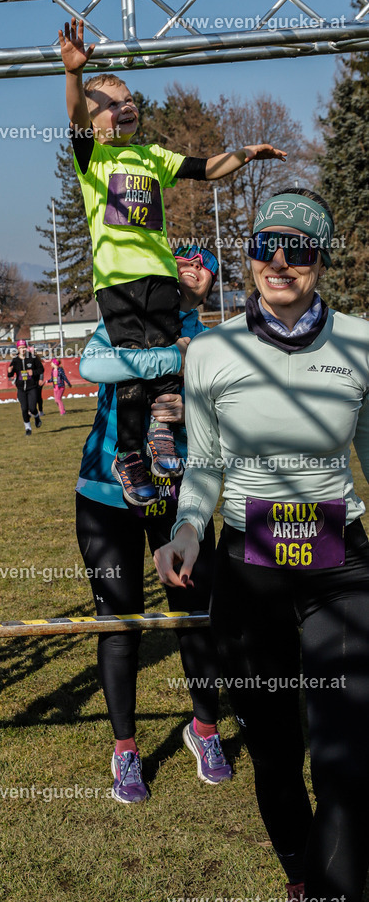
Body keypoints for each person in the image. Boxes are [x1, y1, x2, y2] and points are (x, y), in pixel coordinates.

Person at [155, 189, 369, 902]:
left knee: (345, 757)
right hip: (250, 567)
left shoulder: (361, 342)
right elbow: (205, 464)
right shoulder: (211, 351)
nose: (279, 261)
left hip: (339, 564)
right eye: (264, 245)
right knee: (276, 754)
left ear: (320, 259)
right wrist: (188, 529)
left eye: (298, 248)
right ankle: (303, 879)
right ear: (248, 255)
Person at [59, 18, 286, 508]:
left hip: (160, 276)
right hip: (116, 281)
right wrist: (74, 74)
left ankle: (160, 433)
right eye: (112, 104)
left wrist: (246, 153)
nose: (125, 107)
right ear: (94, 124)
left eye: (129, 99)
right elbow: (76, 117)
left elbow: (205, 169)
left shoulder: (152, 157)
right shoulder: (93, 160)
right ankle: (127, 454)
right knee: (130, 364)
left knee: (163, 355)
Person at [77, 244, 231, 804]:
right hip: (104, 492)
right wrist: (169, 358)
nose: (192, 267)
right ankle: (125, 750)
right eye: (182, 259)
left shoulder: (211, 340)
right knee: (119, 623)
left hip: (178, 495)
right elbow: (91, 366)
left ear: (212, 283)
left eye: (205, 264)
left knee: (194, 615)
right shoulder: (119, 320)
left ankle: (205, 730)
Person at [7, 339, 44, 435]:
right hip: (21, 389)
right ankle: (28, 429)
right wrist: (9, 371)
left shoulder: (32, 358)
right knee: (24, 409)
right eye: (20, 348)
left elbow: (41, 369)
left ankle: (36, 417)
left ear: (26, 348)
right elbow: (10, 375)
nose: (22, 350)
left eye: (24, 347)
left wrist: (33, 372)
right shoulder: (15, 360)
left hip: (32, 387)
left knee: (32, 408)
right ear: (17, 349)